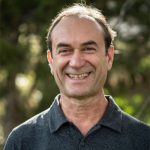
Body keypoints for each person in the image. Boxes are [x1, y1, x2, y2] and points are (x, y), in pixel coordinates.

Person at [4, 3, 150, 150]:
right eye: (65, 50)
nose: (76, 62)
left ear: (109, 57)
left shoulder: (144, 140)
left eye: (88, 49)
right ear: (51, 60)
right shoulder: (22, 141)